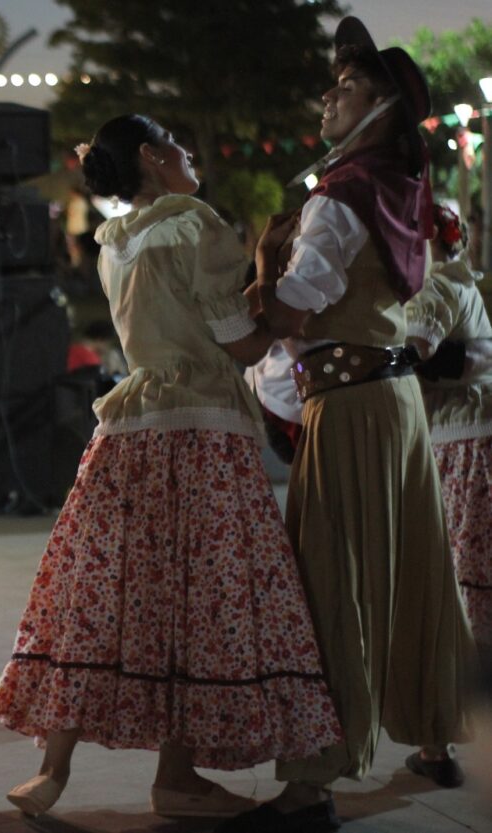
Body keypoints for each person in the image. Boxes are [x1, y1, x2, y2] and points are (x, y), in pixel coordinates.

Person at [0, 115, 342, 821]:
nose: (189, 153)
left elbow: (180, 321)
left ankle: (52, 770)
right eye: (178, 144)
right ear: (153, 156)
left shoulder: (117, 240)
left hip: (132, 425)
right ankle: (175, 775)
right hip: (203, 427)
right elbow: (239, 348)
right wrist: (274, 280)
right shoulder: (195, 225)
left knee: (104, 591)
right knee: (200, 601)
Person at [221, 18, 475, 833]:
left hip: (350, 404)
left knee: (333, 584)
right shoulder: (404, 192)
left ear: (386, 109)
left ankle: (310, 785)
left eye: (348, 88)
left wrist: (264, 265)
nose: (329, 98)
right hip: (395, 403)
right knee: (413, 571)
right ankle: (433, 737)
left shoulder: (337, 199)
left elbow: (291, 311)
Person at [405, 205, 492, 654]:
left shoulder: (435, 286)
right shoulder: (460, 281)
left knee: (465, 555)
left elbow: (414, 349)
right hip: (472, 430)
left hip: (461, 437)